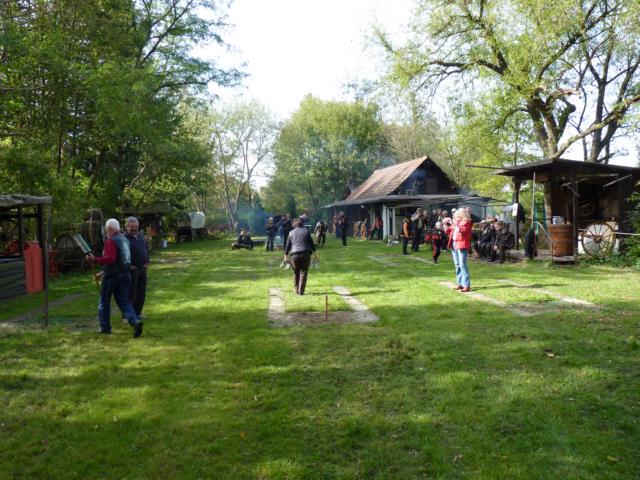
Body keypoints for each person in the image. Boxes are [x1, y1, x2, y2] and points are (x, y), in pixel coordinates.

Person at [86, 218, 143, 338]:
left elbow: (110, 259)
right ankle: (135, 321)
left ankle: (105, 328)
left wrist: (94, 260)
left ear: (109, 228)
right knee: (124, 301)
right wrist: (102, 272)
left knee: (104, 302)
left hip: (112, 276)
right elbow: (121, 259)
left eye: (107, 229)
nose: (106, 231)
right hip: (126, 275)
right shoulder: (125, 240)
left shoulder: (110, 241)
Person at [124, 216, 149, 318]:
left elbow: (146, 248)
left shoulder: (140, 236)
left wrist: (147, 261)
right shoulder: (124, 239)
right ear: (127, 226)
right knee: (130, 293)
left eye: (136, 226)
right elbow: (120, 255)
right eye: (132, 226)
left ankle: (138, 313)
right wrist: (128, 266)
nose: (134, 228)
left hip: (143, 268)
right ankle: (127, 316)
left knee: (141, 293)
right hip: (132, 270)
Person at [284, 218, 316, 295]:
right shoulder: (306, 231)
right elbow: (311, 243)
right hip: (305, 253)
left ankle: (296, 290)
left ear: (294, 225)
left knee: (296, 272)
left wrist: (286, 255)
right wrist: (315, 253)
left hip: (294, 255)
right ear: (302, 224)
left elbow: (287, 245)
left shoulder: (291, 233)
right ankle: (301, 291)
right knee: (303, 272)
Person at [448, 208, 472, 292]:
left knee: (462, 264)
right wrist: (446, 224)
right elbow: (448, 230)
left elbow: (462, 231)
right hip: (454, 243)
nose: (456, 215)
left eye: (457, 214)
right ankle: (460, 283)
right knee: (457, 264)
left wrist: (455, 225)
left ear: (462, 214)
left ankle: (466, 285)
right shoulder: (457, 222)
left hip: (462, 244)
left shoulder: (466, 222)